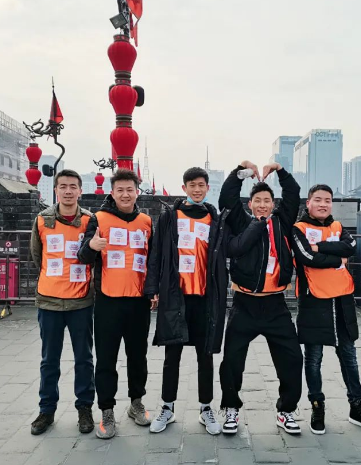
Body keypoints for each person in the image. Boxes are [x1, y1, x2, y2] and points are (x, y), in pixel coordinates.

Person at [218, 160, 303, 435]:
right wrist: (240, 171)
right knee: (232, 360)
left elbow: (293, 194)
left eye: (267, 201)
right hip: (244, 304)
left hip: (276, 305)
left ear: (273, 204)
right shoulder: (242, 222)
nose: (263, 205)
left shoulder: (282, 222)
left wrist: (279, 170)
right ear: (250, 204)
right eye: (258, 201)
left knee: (292, 358)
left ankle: (286, 410)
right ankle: (231, 408)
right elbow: (227, 197)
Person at [144, 167, 230, 435]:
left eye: (201, 185)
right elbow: (156, 253)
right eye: (192, 185)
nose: (197, 189)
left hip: (204, 297)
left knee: (206, 356)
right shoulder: (170, 216)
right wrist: (153, 288)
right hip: (175, 296)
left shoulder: (214, 218)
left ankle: (206, 408)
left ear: (207, 188)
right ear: (184, 188)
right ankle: (167, 407)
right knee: (172, 355)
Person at [292, 184, 361, 435]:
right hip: (313, 300)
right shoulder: (298, 229)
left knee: (349, 356)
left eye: (328, 200)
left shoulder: (339, 227)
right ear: (308, 203)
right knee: (313, 358)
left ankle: (357, 406)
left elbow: (351, 248)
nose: (323, 204)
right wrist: (336, 259)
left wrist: (320, 247)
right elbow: (306, 257)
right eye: (318, 199)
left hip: (342, 299)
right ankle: (317, 406)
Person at [78, 169, 153, 439]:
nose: (125, 194)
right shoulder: (98, 219)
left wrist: (153, 291)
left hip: (138, 303)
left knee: (138, 357)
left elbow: (153, 260)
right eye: (120, 190)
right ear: (112, 192)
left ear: (137, 192)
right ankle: (107, 411)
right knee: (106, 359)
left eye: (129, 189)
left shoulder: (146, 221)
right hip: (108, 301)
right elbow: (82, 257)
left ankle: (136, 403)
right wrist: (93, 246)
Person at [29, 169, 95, 435]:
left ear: (80, 191)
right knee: (49, 360)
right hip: (50, 302)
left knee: (84, 359)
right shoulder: (42, 220)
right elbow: (37, 257)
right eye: (63, 186)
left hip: (81, 302)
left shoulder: (90, 220)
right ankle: (46, 410)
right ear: (55, 190)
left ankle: (84, 408)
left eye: (73, 186)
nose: (68, 191)